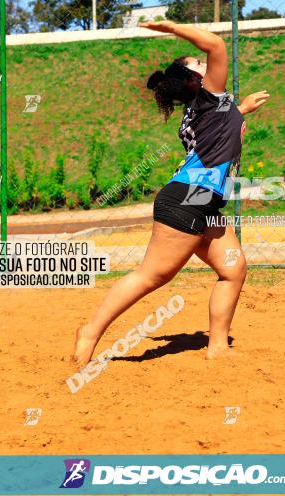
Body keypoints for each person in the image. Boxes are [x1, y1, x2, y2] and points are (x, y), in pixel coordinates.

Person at [73, 20, 270, 364]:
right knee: (152, 276)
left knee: (233, 269)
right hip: (188, 198)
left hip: (201, 201)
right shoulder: (208, 100)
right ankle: (89, 331)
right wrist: (172, 27)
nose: (205, 61)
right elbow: (217, 46)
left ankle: (218, 346)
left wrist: (242, 110)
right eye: (197, 62)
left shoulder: (204, 110)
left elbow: (217, 132)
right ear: (194, 79)